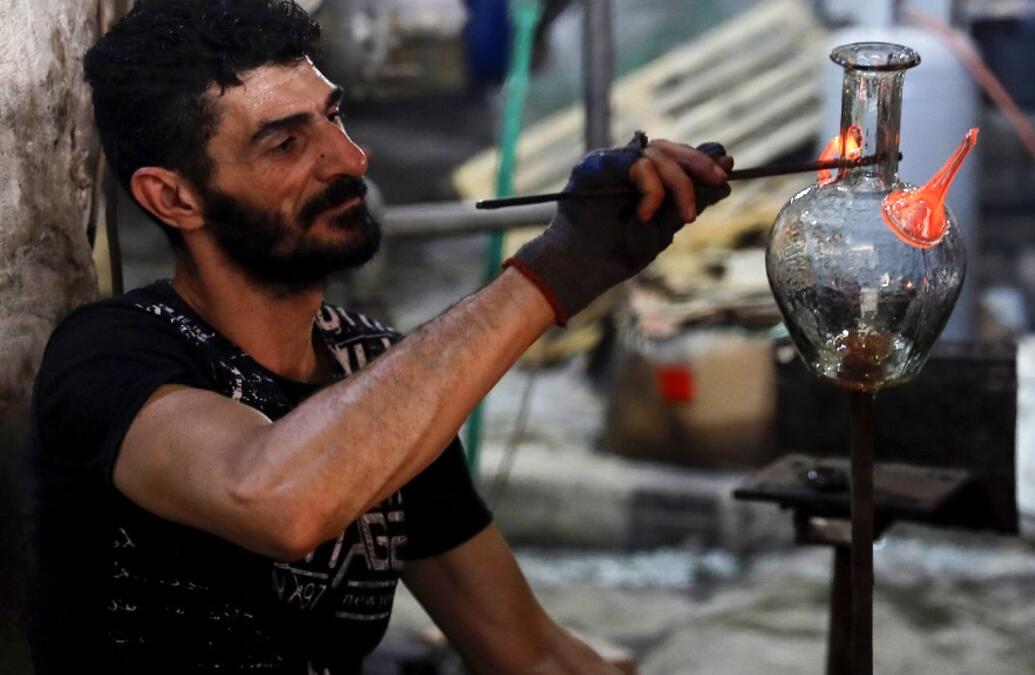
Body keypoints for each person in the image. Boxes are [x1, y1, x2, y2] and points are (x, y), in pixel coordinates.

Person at [28, 0, 733, 673]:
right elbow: (274, 498)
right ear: (173, 197)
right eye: (286, 142)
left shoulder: (374, 370)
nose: (350, 160)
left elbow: (528, 652)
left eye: (335, 118)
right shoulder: (110, 353)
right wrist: (555, 270)